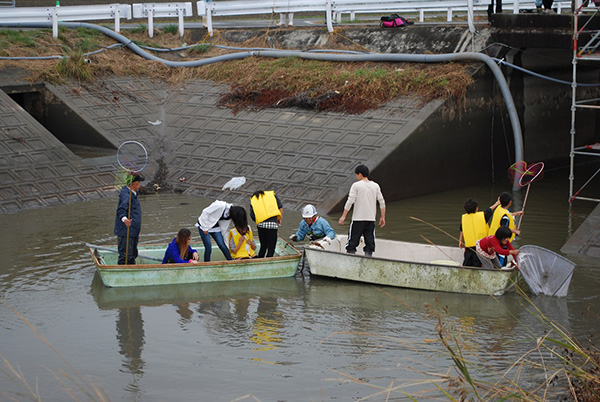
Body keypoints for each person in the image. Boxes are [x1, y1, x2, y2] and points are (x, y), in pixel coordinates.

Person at [338, 165, 386, 257]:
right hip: (371, 220)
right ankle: (368, 259)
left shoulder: (356, 185)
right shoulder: (375, 186)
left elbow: (350, 201)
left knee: (352, 243)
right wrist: (382, 217)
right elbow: (382, 202)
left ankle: (351, 260)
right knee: (369, 243)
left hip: (357, 219)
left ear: (359, 174)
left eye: (356, 175)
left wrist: (343, 216)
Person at [459, 197, 500, 267]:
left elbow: (461, 230)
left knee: (467, 264)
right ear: (476, 208)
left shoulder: (464, 219)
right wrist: (497, 203)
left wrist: (460, 241)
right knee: (479, 264)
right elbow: (489, 210)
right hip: (481, 247)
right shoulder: (483, 216)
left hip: (469, 249)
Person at [114, 173, 144, 265]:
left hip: (133, 230)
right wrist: (124, 219)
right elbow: (121, 210)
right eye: (139, 183)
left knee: (133, 254)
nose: (139, 185)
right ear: (135, 184)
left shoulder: (133, 193)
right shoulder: (126, 195)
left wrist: (137, 228)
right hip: (126, 231)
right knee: (126, 255)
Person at [250, 190, 283, 258]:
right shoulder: (272, 196)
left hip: (261, 226)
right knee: (271, 248)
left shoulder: (254, 199)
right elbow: (280, 207)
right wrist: (279, 219)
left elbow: (252, 215)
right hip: (272, 226)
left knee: (263, 246)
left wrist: (258, 221)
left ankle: (260, 260)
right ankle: (269, 260)